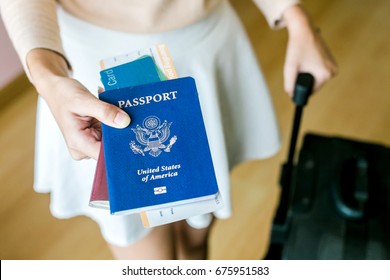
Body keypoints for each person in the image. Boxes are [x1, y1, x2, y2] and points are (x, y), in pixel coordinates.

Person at [0, 0, 337, 260]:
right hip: (91, 69)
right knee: (149, 256)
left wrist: (294, 16)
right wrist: (48, 77)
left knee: (196, 241)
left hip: (201, 48)